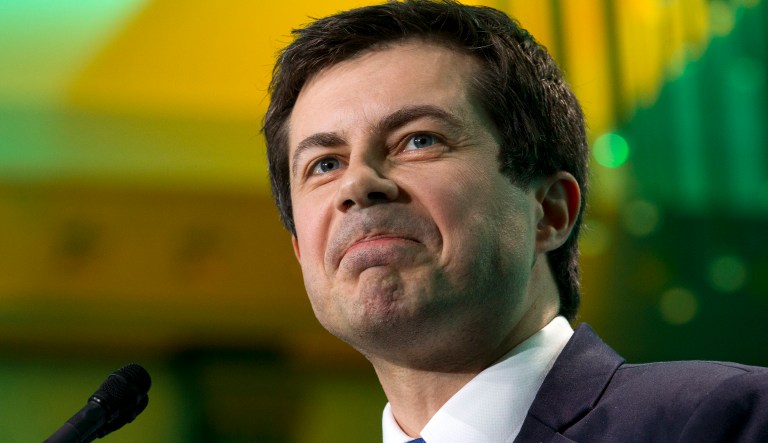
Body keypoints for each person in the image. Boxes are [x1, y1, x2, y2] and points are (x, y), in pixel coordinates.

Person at [262, 1, 768, 441]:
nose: (357, 184)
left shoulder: (728, 419)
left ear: (549, 210)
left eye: (419, 140)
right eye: (324, 164)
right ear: (300, 250)